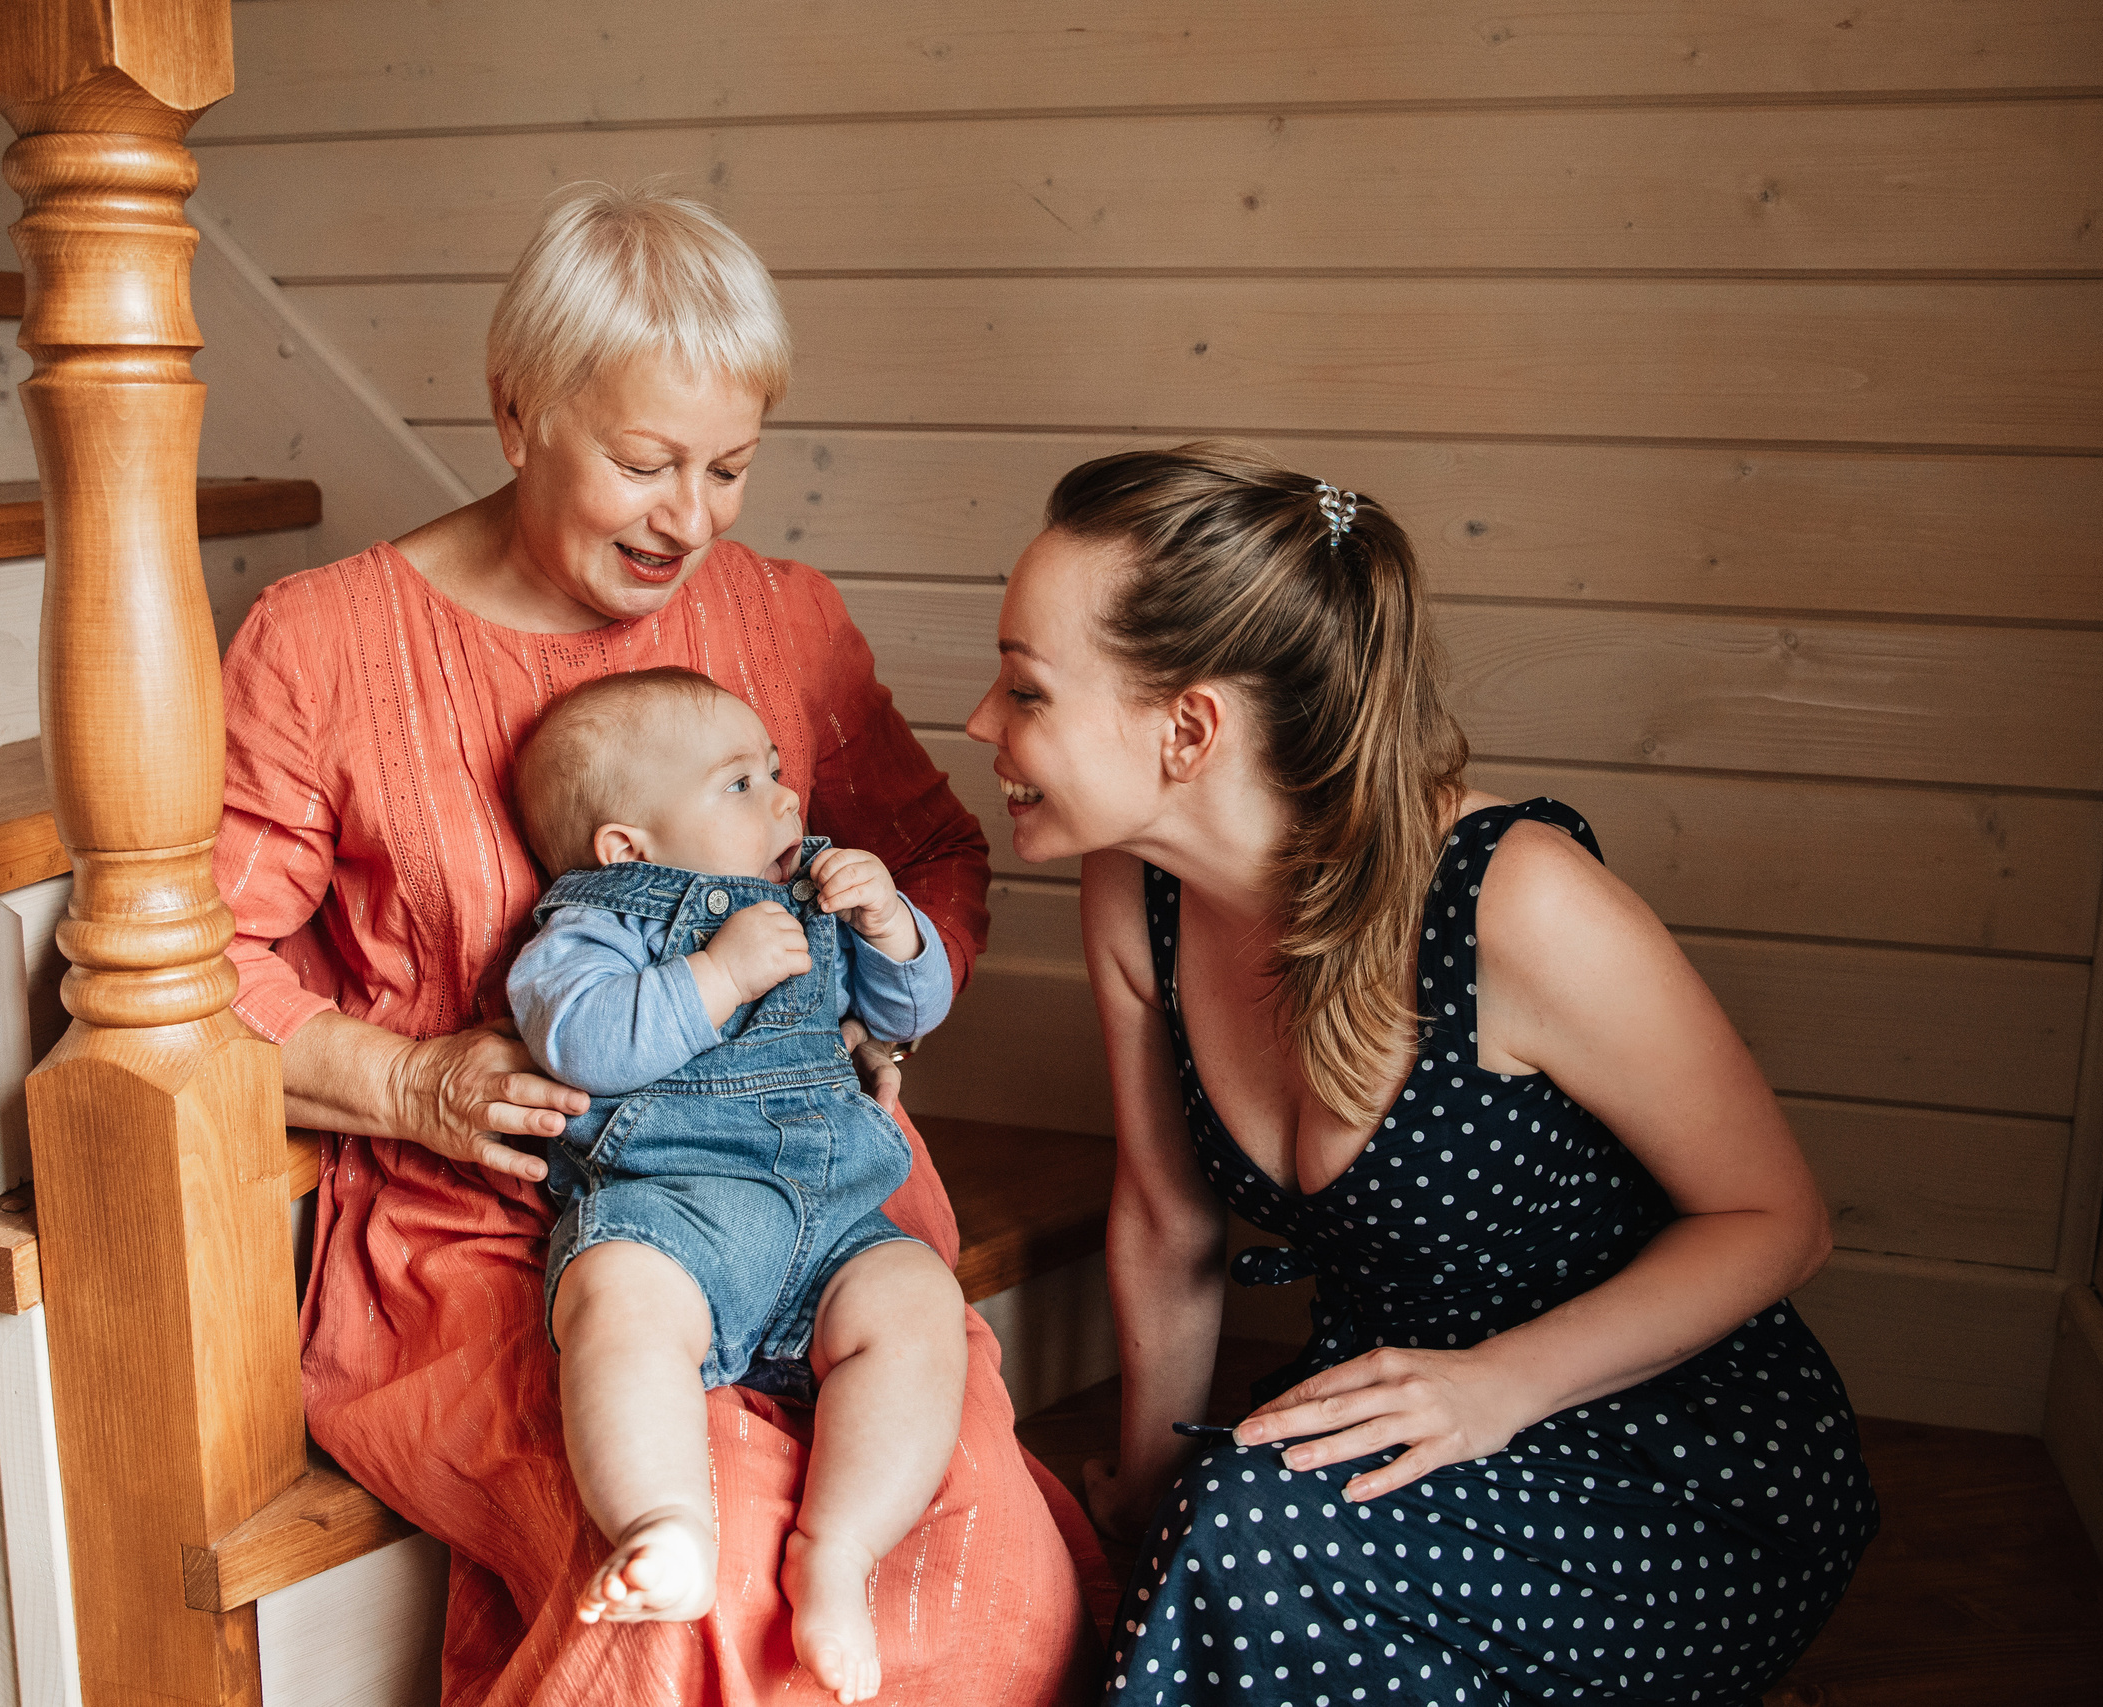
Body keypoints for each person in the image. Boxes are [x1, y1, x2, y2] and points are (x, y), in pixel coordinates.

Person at [214, 181, 1108, 1704]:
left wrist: (885, 987)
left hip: (815, 1193)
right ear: (516, 412)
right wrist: (412, 1081)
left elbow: (935, 852)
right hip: (494, 1234)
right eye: (643, 463)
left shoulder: (784, 618)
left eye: (728, 467)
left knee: (987, 1575)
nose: (689, 518)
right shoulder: (323, 643)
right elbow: (194, 975)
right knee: (717, 1589)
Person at [963, 442, 1877, 1705]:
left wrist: (1498, 1387)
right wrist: (1146, 1487)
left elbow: (1779, 1221)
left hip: (1666, 1451)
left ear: (1188, 729)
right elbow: (1169, 1222)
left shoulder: (1517, 902)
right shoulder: (1135, 887)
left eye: (1025, 689)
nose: (980, 723)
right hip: (1399, 1421)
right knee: (1216, 1528)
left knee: (1246, 1536)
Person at [508, 667, 967, 1702]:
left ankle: (839, 1550)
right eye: (740, 784)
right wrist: (716, 974)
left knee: (918, 1300)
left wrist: (890, 928)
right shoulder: (592, 927)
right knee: (615, 1301)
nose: (785, 798)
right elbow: (582, 1040)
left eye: (775, 769)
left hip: (836, 1218)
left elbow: (908, 1013)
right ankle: (662, 1521)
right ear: (627, 849)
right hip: (674, 1212)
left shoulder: (814, 892)